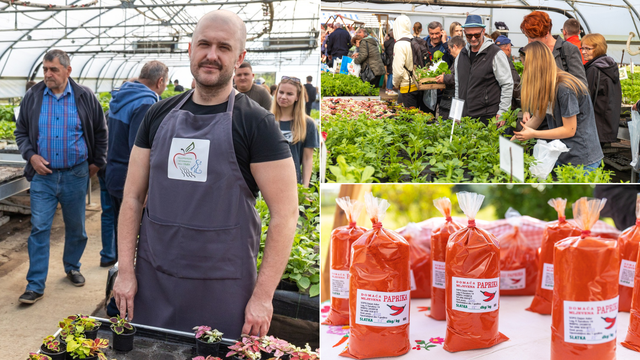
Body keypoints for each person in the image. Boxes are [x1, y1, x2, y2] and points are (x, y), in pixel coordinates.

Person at [112, 10, 299, 338]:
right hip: (155, 279)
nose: (211, 55)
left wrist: (263, 297)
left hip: (223, 288)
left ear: (239, 57)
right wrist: (125, 271)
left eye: (224, 48)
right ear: (189, 49)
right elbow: (132, 198)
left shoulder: (256, 124)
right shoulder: (158, 115)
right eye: (204, 44)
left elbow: (285, 214)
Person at [15, 49, 108, 304]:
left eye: (53, 69)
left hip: (75, 174)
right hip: (43, 176)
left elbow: (101, 131)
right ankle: (35, 285)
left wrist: (97, 163)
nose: (47, 74)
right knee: (39, 228)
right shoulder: (33, 97)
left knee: (76, 227)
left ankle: (72, 266)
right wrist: (31, 156)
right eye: (45, 69)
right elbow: (21, 132)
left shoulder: (84, 96)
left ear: (68, 70)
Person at [105, 60, 168, 265]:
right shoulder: (145, 104)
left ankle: (115, 266)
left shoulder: (122, 96)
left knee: (119, 227)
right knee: (135, 234)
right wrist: (147, 187)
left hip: (113, 172)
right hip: (130, 180)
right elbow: (138, 150)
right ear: (160, 81)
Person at [513, 41, 603, 172]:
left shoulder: (564, 88)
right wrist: (513, 141)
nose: (525, 72)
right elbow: (538, 117)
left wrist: (534, 134)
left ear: (537, 66)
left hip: (582, 160)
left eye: (526, 67)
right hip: (563, 154)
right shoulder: (547, 86)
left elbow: (569, 129)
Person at [454, 14, 513, 125]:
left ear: (483, 31)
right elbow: (458, 86)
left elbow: (507, 84)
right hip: (466, 117)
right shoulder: (461, 56)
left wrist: (503, 112)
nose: (473, 38)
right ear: (464, 33)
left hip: (488, 116)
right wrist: (457, 113)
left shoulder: (495, 53)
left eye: (476, 34)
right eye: (469, 35)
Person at [272, 77, 319, 187]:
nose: (283, 97)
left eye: (289, 94)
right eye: (281, 92)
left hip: (293, 183)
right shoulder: (267, 121)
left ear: (297, 97)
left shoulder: (307, 124)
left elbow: (307, 159)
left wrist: (305, 186)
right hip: (268, 183)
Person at [520, 11, 587, 86]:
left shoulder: (568, 49)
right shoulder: (532, 51)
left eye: (533, 37)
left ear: (546, 33)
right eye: (527, 37)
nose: (529, 42)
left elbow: (581, 84)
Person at [582, 33, 621, 146]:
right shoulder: (609, 66)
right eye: (582, 48)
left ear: (598, 49)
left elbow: (586, 98)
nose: (584, 52)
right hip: (606, 124)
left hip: (595, 126)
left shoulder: (594, 69)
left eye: (588, 49)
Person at [393, 15, 428, 111]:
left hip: (407, 87)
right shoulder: (415, 41)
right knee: (416, 117)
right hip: (418, 85)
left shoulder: (399, 44)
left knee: (408, 119)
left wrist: (395, 84)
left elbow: (398, 70)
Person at [436, 35, 465, 119]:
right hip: (452, 97)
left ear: (455, 47)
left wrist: (444, 78)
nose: (450, 52)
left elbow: (458, 78)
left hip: (453, 97)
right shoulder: (460, 58)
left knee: (450, 124)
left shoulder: (462, 59)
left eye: (450, 49)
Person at [496, 35, 522, 111]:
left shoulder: (492, 58)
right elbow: (514, 84)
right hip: (506, 106)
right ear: (508, 48)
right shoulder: (506, 60)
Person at [384, 29, 396, 95]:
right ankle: (390, 89)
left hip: (388, 60)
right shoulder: (393, 43)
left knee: (390, 75)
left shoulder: (386, 42)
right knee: (392, 74)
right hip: (392, 60)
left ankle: (387, 88)